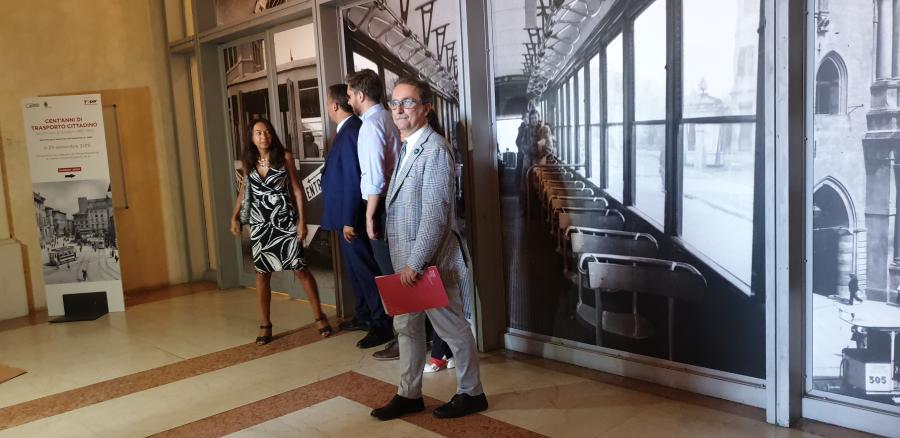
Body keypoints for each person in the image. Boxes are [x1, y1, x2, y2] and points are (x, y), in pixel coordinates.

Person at [370, 77, 487, 421]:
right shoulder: (407, 145)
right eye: (395, 103)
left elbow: (435, 216)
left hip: (429, 262)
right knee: (406, 328)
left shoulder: (435, 149)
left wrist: (416, 263)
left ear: (425, 108)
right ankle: (409, 395)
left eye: (408, 102)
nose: (400, 109)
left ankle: (472, 393)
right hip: (407, 262)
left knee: (451, 328)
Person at [230, 118, 332, 345]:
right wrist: (234, 216)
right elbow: (244, 191)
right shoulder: (249, 161)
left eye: (267, 132)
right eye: (258, 133)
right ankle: (265, 324)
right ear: (252, 137)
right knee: (262, 274)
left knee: (300, 269)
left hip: (285, 220)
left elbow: (297, 190)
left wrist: (302, 221)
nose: (263, 136)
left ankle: (319, 316)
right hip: (260, 224)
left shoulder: (284, 157)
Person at [320, 83, 389, 353]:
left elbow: (352, 178)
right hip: (343, 216)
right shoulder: (348, 130)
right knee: (355, 270)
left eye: (328, 102)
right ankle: (364, 314)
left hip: (351, 218)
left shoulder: (351, 132)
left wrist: (350, 219)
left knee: (365, 270)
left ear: (335, 105)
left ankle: (381, 322)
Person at [346, 69, 401, 356]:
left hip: (382, 207)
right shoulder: (389, 118)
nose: (348, 101)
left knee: (392, 277)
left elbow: (375, 178)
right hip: (397, 203)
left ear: (360, 95)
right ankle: (414, 335)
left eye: (350, 95)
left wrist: (369, 216)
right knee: (400, 273)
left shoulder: (369, 125)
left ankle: (405, 339)